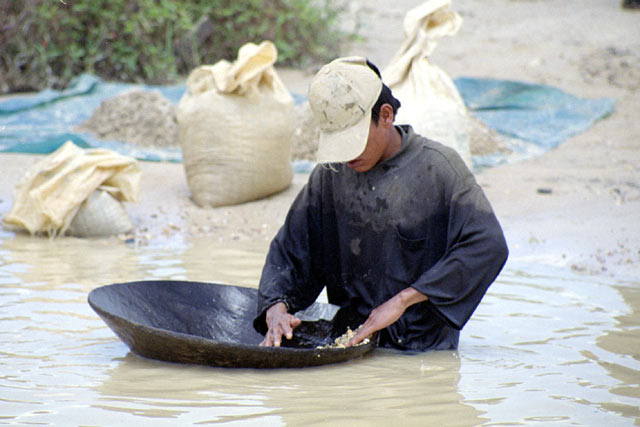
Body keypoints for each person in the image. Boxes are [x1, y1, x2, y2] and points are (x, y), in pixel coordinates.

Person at [253, 56, 508, 351]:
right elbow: (291, 249)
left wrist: (404, 300)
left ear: (385, 116)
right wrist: (276, 308)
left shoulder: (440, 169)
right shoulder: (330, 175)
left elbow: (487, 246)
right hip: (349, 343)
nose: (348, 156)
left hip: (419, 348)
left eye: (355, 140)